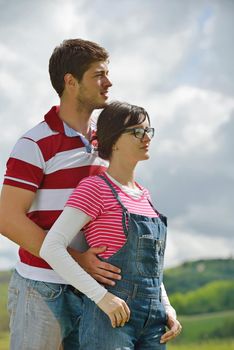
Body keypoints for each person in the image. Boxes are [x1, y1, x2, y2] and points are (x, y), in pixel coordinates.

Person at [0, 38, 122, 350]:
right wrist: (76, 261)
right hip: (42, 291)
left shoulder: (107, 143)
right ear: (70, 81)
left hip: (94, 291)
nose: (108, 82)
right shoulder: (35, 143)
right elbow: (7, 218)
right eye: (99, 75)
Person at [40, 101, 182, 349]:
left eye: (148, 131)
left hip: (154, 321)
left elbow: (153, 268)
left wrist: (166, 306)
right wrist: (101, 298)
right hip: (111, 316)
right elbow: (51, 247)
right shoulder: (95, 188)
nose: (146, 137)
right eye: (137, 131)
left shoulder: (144, 195)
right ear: (114, 139)